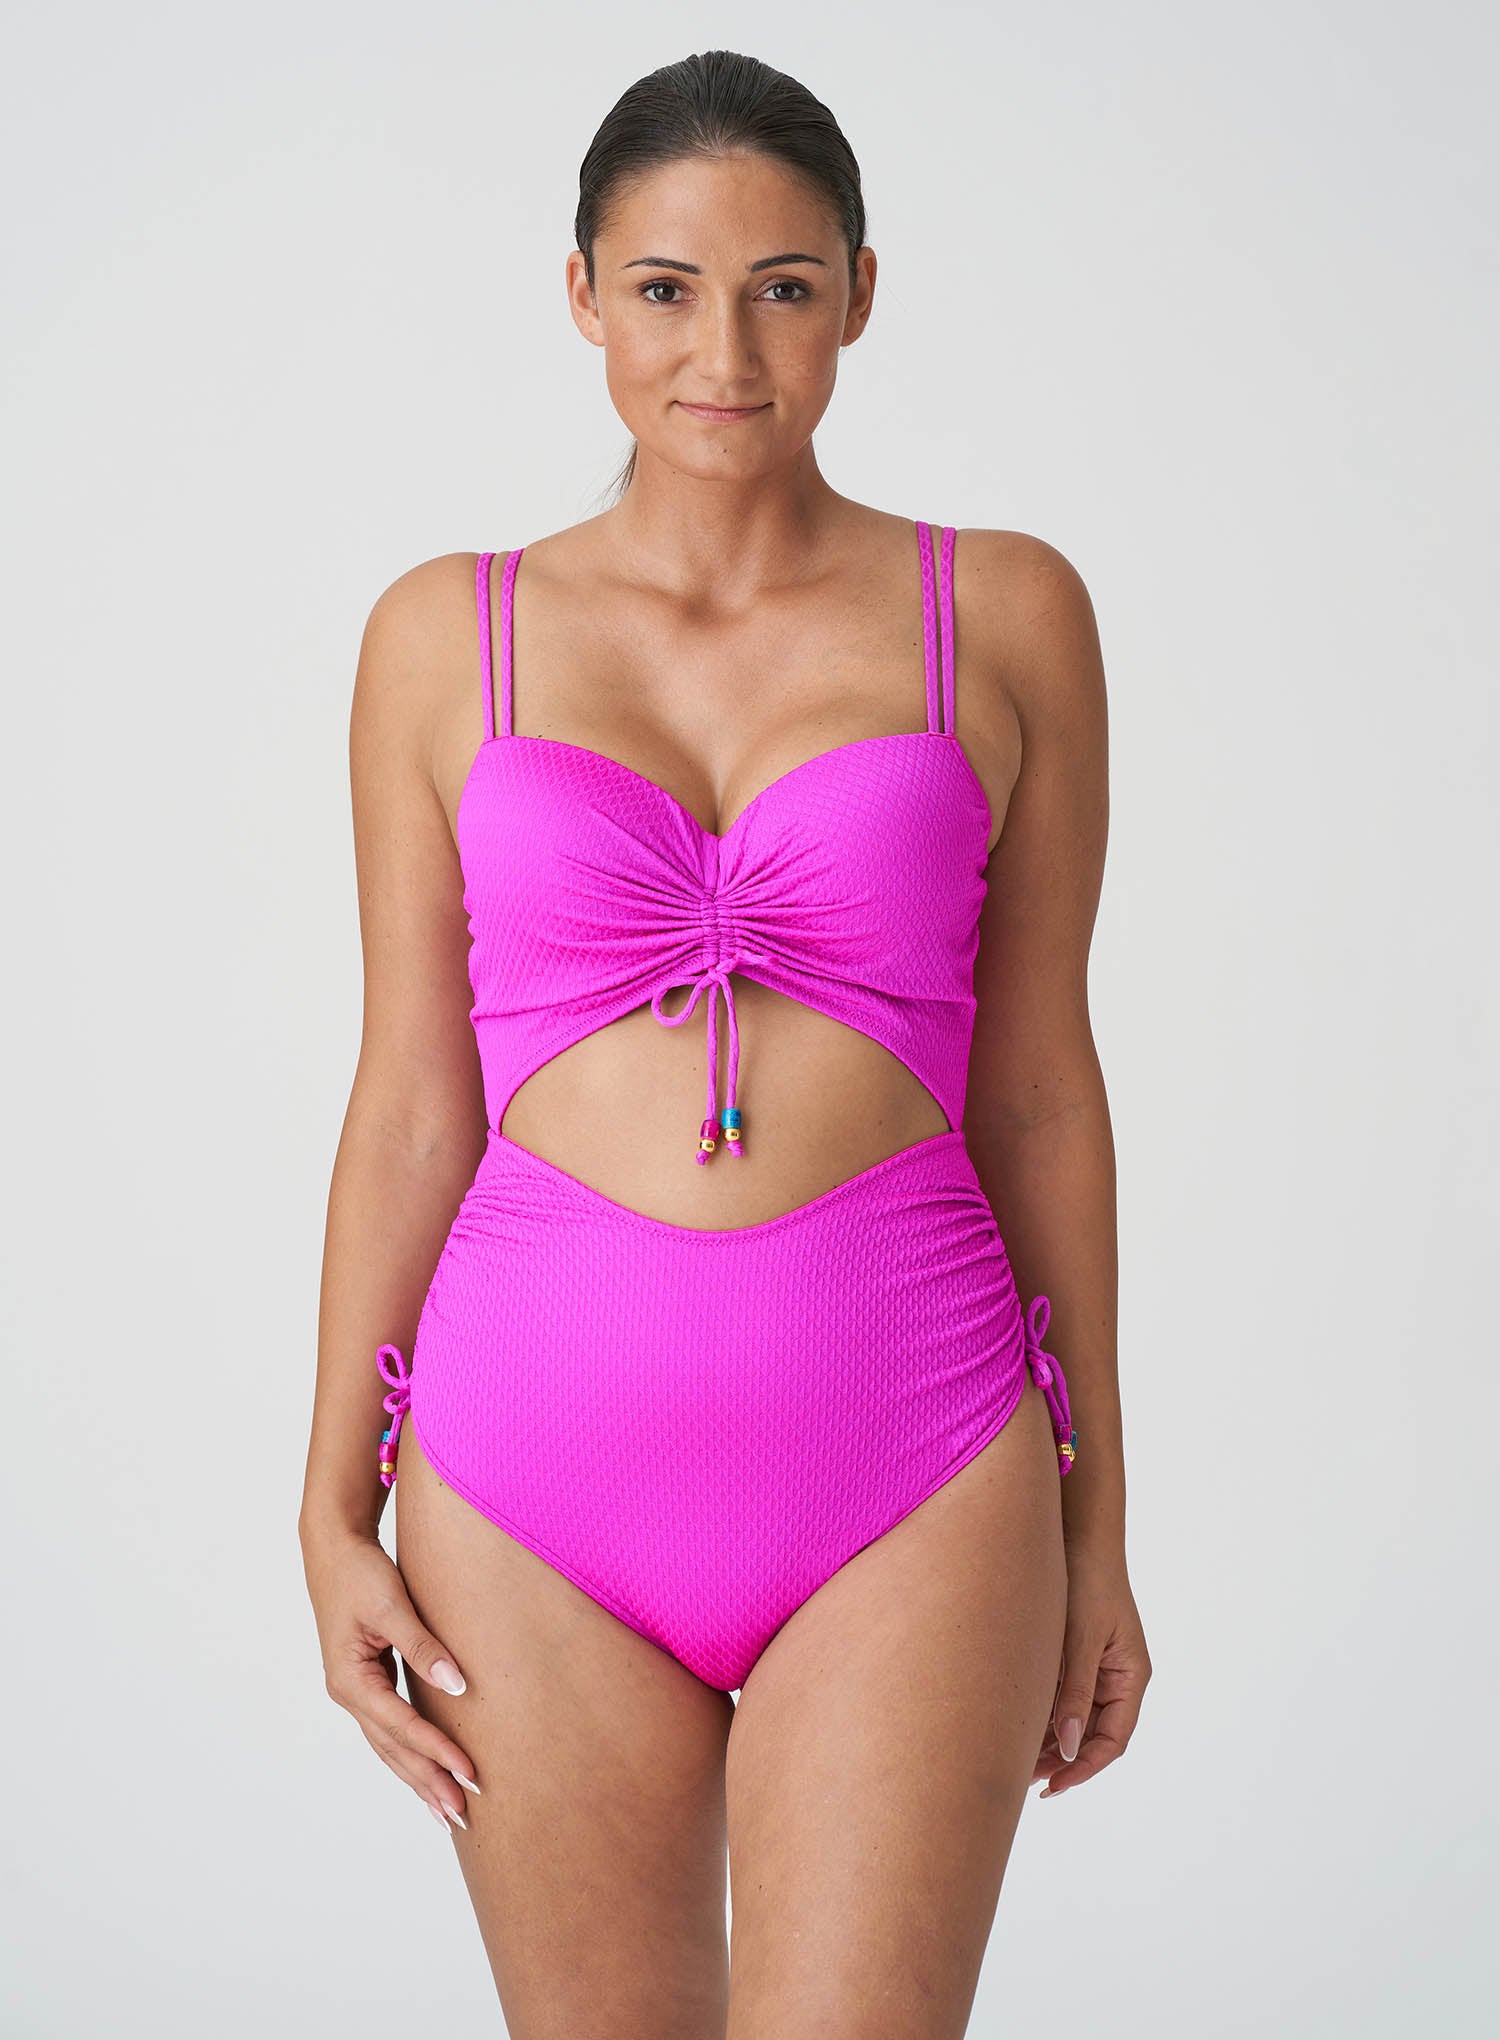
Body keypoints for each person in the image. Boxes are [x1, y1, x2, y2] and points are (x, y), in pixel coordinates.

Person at [300, 47, 1149, 2037]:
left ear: (860, 293)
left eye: (783, 287)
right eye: (667, 289)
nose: (727, 354)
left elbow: (1041, 1090)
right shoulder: (442, 635)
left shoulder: (1002, 612)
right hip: (526, 1473)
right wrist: (328, 1506)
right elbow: (412, 1102)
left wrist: (1101, 1524)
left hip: (916, 1452)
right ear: (582, 296)